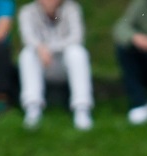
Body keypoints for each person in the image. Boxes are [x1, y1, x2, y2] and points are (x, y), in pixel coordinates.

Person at [17, 0, 94, 130]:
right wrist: (39, 48)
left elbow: (77, 37)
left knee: (78, 53)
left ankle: (82, 109)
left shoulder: (72, 9)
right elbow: (27, 37)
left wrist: (48, 49)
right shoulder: (27, 11)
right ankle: (33, 109)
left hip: (64, 64)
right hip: (42, 65)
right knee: (27, 54)